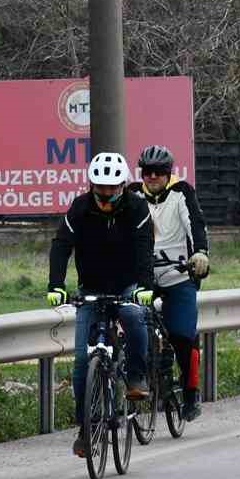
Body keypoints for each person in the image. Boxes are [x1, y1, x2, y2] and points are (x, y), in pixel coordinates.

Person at [46, 152, 156, 457]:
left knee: (134, 318)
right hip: (91, 287)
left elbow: (145, 247)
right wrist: (56, 284)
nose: (106, 194)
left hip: (128, 283)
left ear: (123, 185)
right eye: (100, 188)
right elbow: (61, 246)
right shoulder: (79, 209)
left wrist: (144, 287)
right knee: (83, 361)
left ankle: (135, 375)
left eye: (112, 188)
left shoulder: (137, 207)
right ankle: (86, 426)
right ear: (92, 185)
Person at [127, 144, 211, 422]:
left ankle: (190, 393)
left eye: (159, 172)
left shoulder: (182, 192)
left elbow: (196, 224)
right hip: (143, 275)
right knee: (129, 327)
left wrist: (200, 253)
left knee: (182, 336)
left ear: (168, 173)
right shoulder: (132, 194)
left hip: (178, 274)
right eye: (147, 172)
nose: (152, 177)